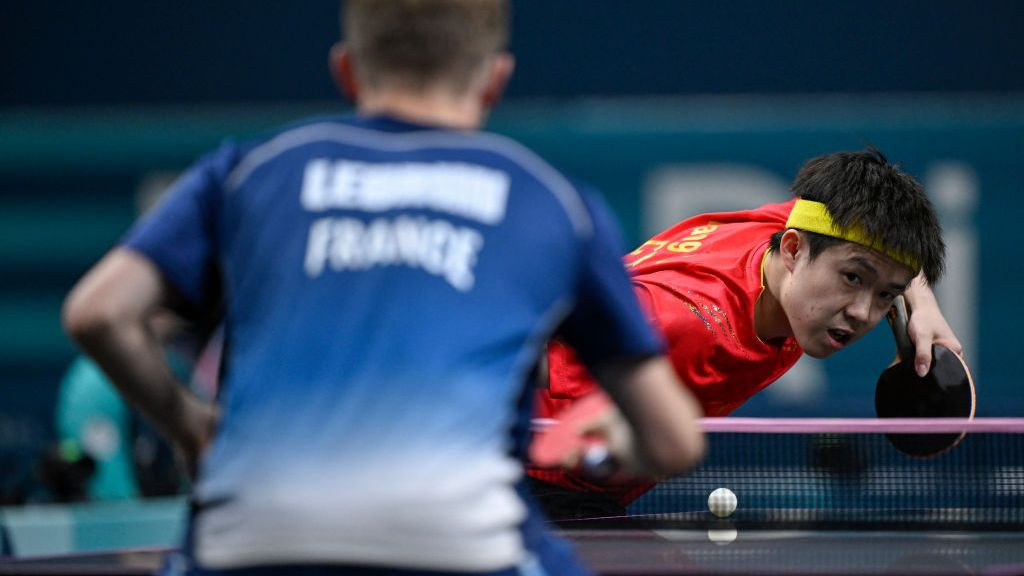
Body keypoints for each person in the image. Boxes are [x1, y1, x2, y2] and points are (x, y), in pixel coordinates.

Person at [61, 1, 705, 575]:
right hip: (466, 546)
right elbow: (675, 440)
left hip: (246, 541)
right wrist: (618, 440)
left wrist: (190, 426)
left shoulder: (248, 171)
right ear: (495, 80)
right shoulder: (554, 203)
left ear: (345, 70)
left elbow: (97, 313)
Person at [528, 148, 959, 520]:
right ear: (792, 250)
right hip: (541, 484)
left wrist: (923, 303)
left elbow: (876, 233)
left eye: (886, 294)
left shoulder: (798, 231)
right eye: (851, 278)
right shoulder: (683, 323)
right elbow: (514, 349)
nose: (863, 312)